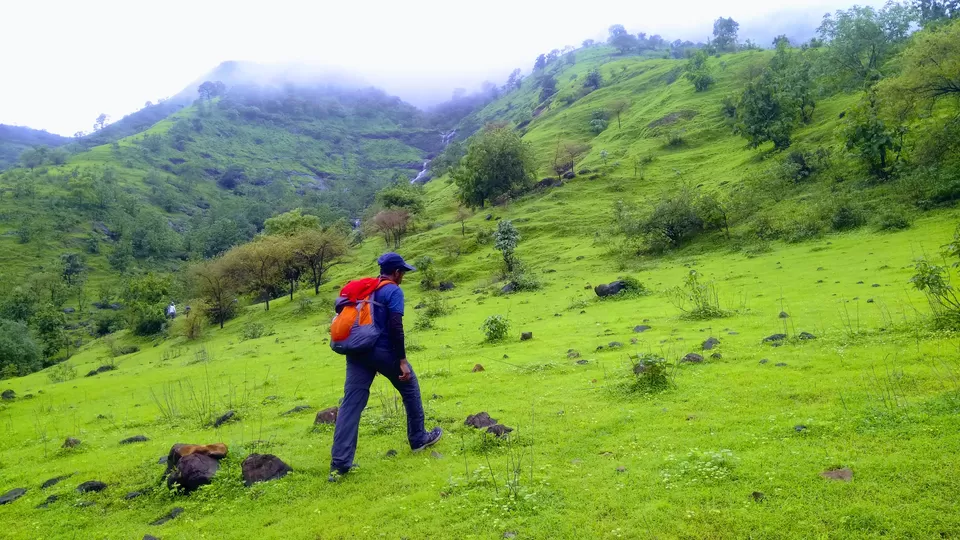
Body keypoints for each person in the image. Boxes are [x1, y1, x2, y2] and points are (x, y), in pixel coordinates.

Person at [329, 252, 442, 481]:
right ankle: (418, 438)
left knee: (351, 405)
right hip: (382, 350)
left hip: (357, 353)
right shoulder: (393, 291)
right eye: (403, 273)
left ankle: (339, 465)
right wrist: (401, 361)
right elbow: (395, 327)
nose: (403, 277)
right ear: (397, 272)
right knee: (410, 387)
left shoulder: (366, 289)